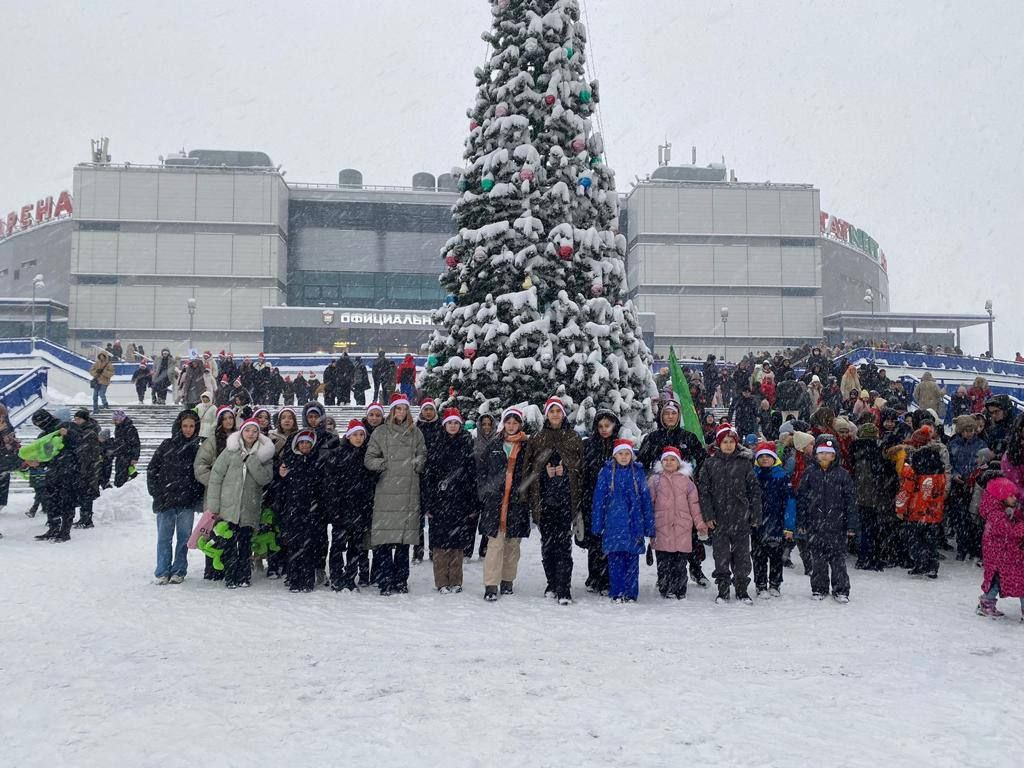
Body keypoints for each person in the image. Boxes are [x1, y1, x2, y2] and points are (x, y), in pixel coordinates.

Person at [637, 398, 710, 586]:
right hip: (661, 494)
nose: (670, 417)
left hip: (684, 494)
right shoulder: (652, 438)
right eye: (667, 413)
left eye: (673, 414)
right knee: (663, 536)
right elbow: (641, 464)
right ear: (661, 416)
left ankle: (695, 569)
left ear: (678, 416)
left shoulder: (688, 437)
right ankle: (665, 574)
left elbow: (702, 459)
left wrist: (696, 479)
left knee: (689, 536)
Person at [522, 396, 584, 604]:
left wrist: (565, 469)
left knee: (564, 545)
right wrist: (543, 472)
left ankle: (564, 587)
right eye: (552, 411)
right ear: (546, 414)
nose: (555, 415)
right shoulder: (538, 438)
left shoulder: (573, 437)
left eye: (558, 411)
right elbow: (529, 469)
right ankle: (552, 582)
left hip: (566, 500)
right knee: (547, 545)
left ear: (563, 414)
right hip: (545, 501)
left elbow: (580, 467)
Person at [364, 393, 427, 595]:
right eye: (398, 409)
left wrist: (416, 464)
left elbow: (422, 454)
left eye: (405, 409)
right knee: (383, 541)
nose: (401, 412)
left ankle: (401, 580)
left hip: (408, 491)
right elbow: (369, 458)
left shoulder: (415, 432)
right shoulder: (380, 432)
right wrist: (386, 465)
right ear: (392, 411)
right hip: (385, 492)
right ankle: (384, 581)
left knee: (403, 542)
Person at [204, 419, 275, 589]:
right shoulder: (230, 451)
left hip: (249, 507)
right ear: (241, 432)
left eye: (254, 431)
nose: (251, 434)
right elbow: (216, 477)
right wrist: (214, 504)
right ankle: (230, 575)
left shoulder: (263, 455)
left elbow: (265, 478)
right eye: (247, 430)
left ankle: (243, 575)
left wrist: (252, 461)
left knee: (245, 543)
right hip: (229, 506)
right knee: (229, 542)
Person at [699, 424, 762, 604]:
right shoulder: (710, 464)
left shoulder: (744, 464)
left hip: (741, 519)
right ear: (719, 443)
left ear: (737, 443)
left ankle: (742, 588)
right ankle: (723, 589)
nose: (728, 445)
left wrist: (755, 514)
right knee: (721, 556)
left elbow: (754, 491)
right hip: (719, 521)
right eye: (724, 441)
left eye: (731, 441)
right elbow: (704, 492)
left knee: (742, 557)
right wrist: (708, 515)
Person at [591, 439, 655, 603]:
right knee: (615, 562)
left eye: (627, 454)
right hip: (613, 526)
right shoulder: (606, 473)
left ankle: (631, 593)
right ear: (615, 455)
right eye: (621, 453)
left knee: (632, 562)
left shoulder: (638, 473)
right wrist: (597, 524)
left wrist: (649, 527)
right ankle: (617, 592)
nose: (624, 457)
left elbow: (645, 501)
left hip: (634, 526)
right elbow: (599, 500)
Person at [478, 407, 531, 601]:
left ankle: (507, 580)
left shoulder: (527, 446)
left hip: (517, 502)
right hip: (495, 502)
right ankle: (491, 584)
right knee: (495, 544)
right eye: (508, 422)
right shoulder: (494, 445)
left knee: (512, 544)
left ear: (520, 425)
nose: (511, 426)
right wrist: (485, 493)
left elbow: (532, 472)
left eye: (515, 423)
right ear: (503, 424)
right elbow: (482, 472)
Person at [147, 411, 205, 584]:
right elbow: (152, 470)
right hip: (166, 500)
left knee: (183, 539)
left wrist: (196, 496)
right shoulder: (167, 445)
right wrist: (156, 492)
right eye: (185, 426)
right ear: (179, 426)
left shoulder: (197, 449)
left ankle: (179, 569)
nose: (188, 430)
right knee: (164, 538)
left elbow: (201, 474)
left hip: (186, 502)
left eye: (191, 426)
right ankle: (163, 570)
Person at [424, 408, 477, 593]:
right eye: (450, 423)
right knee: (440, 544)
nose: (453, 426)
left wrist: (472, 502)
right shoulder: (436, 444)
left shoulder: (466, 444)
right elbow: (429, 476)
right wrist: (429, 502)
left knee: (457, 544)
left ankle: (456, 581)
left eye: (456, 423)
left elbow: (472, 476)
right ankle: (441, 581)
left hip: (460, 501)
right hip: (440, 501)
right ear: (444, 424)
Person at [796, 435, 855, 602]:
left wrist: (851, 524)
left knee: (838, 561)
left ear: (834, 455)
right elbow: (802, 499)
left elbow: (850, 500)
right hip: (815, 525)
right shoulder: (809, 473)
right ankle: (819, 588)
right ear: (815, 454)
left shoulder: (843, 475)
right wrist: (802, 521)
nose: (824, 456)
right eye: (821, 452)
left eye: (828, 453)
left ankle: (841, 589)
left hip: (837, 525)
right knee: (818, 560)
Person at [323, 420, 377, 591]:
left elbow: (371, 482)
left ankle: (350, 576)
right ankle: (336, 577)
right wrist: (334, 507)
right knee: (338, 545)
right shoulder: (337, 454)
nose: (359, 438)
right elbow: (330, 484)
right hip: (341, 508)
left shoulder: (366, 456)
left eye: (361, 435)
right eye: (355, 434)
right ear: (348, 436)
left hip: (361, 509)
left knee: (356, 546)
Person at [647, 445, 705, 599]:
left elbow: (694, 505)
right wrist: (648, 524)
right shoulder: (655, 480)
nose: (669, 462)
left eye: (673, 459)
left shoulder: (687, 481)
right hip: (662, 527)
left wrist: (700, 524)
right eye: (666, 460)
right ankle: (665, 588)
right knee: (663, 563)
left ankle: (679, 589)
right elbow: (649, 504)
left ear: (679, 462)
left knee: (680, 564)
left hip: (682, 528)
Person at [276, 429, 323, 593]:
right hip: (293, 509)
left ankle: (307, 579)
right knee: (294, 545)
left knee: (309, 546)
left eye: (308, 443)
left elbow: (322, 486)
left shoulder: (317, 461)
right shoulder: (288, 461)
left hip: (311, 510)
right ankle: (294, 577)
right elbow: (281, 488)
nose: (305, 445)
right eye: (302, 442)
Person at [193, 405, 237, 580]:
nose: (228, 421)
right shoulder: (211, 441)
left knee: (229, 530)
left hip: (233, 492)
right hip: (214, 492)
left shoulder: (238, 439)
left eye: (230, 418)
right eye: (225, 418)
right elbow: (200, 466)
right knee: (213, 529)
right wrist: (215, 479)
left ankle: (228, 565)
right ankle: (212, 568)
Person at [898, 425, 948, 578]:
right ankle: (932, 565)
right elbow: (941, 490)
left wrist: (900, 509)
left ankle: (920, 563)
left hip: (916, 510)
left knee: (915, 539)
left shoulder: (913, 469)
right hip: (933, 511)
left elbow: (906, 491)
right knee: (930, 540)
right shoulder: (939, 469)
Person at [580, 409, 620, 595]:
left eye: (608, 425)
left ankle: (607, 578)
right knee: (594, 540)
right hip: (592, 498)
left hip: (614, 500)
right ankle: (594, 576)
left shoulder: (619, 446)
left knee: (610, 540)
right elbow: (582, 472)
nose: (604, 429)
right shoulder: (588, 445)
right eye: (601, 426)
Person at [976, 476, 1024, 619]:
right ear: (1000, 497)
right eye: (1010, 496)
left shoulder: (999, 512)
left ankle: (987, 603)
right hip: (1002, 556)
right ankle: (986, 603)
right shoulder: (996, 515)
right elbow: (1011, 531)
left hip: (1005, 555)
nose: (1014, 499)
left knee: (1000, 581)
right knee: (1006, 580)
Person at [752, 442, 796, 597]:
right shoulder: (753, 475)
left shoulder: (782, 476)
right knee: (758, 556)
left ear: (774, 458)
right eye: (761, 456)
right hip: (757, 523)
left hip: (776, 522)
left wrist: (789, 525)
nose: (764, 459)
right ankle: (761, 584)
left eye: (768, 456)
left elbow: (790, 502)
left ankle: (775, 584)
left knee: (776, 556)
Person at [949, 415, 988, 561]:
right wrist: (955, 474)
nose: (969, 433)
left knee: (973, 517)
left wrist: (976, 476)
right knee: (960, 517)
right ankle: (962, 546)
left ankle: (972, 547)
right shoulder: (953, 444)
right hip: (958, 485)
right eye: (966, 431)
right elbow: (949, 462)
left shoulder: (981, 444)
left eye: (971, 430)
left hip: (974, 485)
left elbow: (984, 464)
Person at [850, 423, 885, 570]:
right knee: (873, 528)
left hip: (860, 494)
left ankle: (863, 557)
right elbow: (878, 476)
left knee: (864, 527)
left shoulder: (856, 450)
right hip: (873, 496)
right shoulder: (875, 452)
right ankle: (872, 557)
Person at [414, 397, 443, 562]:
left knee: (434, 516)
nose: (428, 412)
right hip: (418, 474)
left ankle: (434, 550)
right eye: (425, 409)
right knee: (417, 517)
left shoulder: (441, 428)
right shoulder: (416, 428)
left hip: (435, 477)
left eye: (431, 409)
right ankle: (418, 551)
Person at [467, 413, 496, 559]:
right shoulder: (473, 441)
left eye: (489, 424)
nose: (486, 427)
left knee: (488, 520)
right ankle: (467, 551)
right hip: (474, 485)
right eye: (483, 424)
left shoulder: (498, 441)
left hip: (491, 487)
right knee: (471, 519)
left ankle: (484, 550)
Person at [70, 409, 102, 530]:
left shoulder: (89, 432)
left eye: (78, 419)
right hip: (86, 468)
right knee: (85, 494)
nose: (76, 421)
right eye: (75, 419)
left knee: (86, 494)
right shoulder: (84, 431)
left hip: (88, 468)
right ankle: (84, 518)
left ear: (84, 419)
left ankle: (87, 519)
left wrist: (83, 467)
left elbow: (86, 452)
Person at [111, 409, 140, 488]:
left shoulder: (130, 428)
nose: (114, 421)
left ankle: (122, 490)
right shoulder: (119, 427)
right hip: (121, 455)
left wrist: (135, 457)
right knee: (120, 475)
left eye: (115, 419)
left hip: (127, 456)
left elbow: (136, 443)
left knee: (123, 476)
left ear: (120, 419)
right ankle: (120, 490)